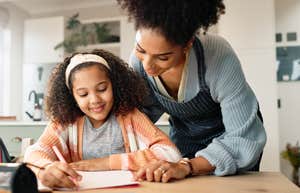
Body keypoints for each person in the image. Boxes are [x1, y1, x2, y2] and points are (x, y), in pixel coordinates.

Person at [117, 0, 267, 183]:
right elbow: (138, 121)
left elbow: (243, 138)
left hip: (232, 143)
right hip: (184, 139)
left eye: (163, 57)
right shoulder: (139, 64)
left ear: (187, 44)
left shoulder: (218, 56)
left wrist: (186, 166)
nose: (147, 65)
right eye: (141, 51)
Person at [24, 49, 181, 188]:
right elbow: (34, 152)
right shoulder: (66, 121)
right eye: (83, 94)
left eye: (102, 89)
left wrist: (105, 163)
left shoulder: (130, 116)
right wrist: (47, 168)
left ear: (115, 85)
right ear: (72, 97)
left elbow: (170, 153)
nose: (95, 100)